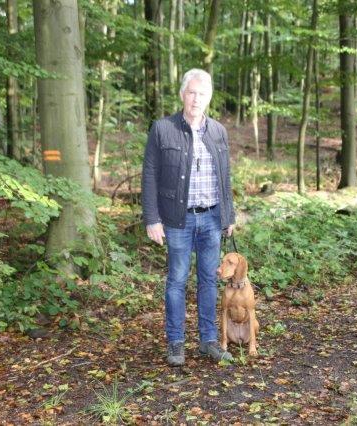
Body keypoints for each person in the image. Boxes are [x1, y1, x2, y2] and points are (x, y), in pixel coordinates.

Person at [141, 68, 236, 366]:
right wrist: (152, 218)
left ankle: (208, 341)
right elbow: (149, 174)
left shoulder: (218, 131)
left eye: (202, 94)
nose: (196, 99)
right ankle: (176, 343)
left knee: (209, 279)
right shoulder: (162, 129)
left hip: (211, 218)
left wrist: (228, 215)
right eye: (192, 92)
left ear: (209, 98)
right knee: (177, 280)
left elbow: (225, 177)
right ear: (182, 94)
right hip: (177, 219)